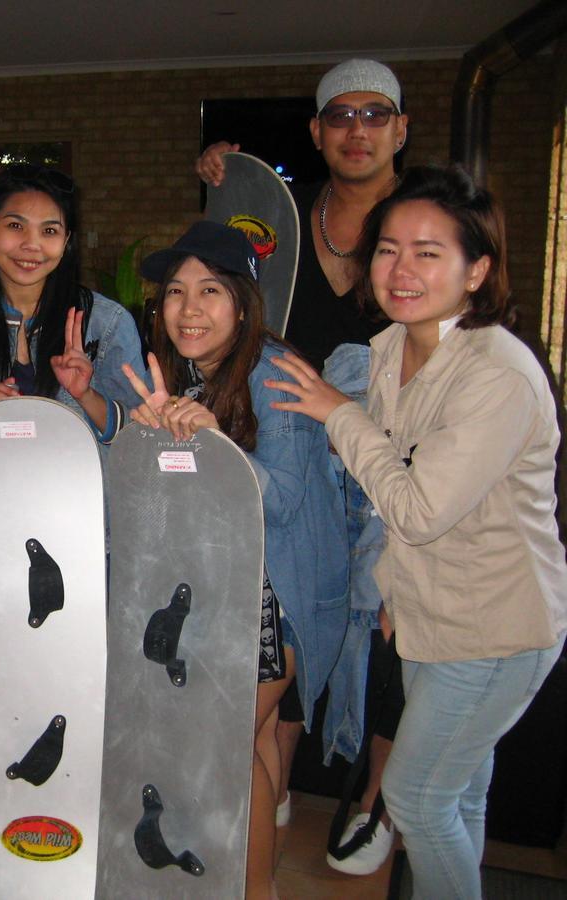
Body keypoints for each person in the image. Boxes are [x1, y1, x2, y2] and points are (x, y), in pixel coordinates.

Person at [269, 163, 567, 900]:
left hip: (496, 627)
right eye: (389, 248)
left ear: (477, 270)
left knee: (416, 800)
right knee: (458, 795)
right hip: (435, 616)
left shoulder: (497, 373)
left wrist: (339, 413)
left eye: (428, 252)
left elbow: (417, 508)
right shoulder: (393, 350)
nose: (401, 269)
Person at [197, 58, 409, 870]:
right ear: (319, 132)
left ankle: (375, 796)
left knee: (386, 621)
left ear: (400, 129)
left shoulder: (420, 223)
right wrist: (227, 185)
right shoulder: (283, 217)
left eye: (374, 113)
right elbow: (226, 280)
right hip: (295, 451)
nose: (357, 129)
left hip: (388, 449)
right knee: (296, 607)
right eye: (340, 115)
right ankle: (272, 777)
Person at [0, 162, 145, 899]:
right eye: (15, 226)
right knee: (6, 699)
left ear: (68, 240)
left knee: (81, 695)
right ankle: (6, 847)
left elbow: (133, 440)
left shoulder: (105, 322)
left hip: (85, 545)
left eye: (50, 231)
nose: (31, 245)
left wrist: (85, 399)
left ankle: (82, 847)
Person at [123, 221, 348, 900]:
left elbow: (277, 502)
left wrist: (215, 441)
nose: (189, 308)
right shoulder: (201, 371)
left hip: (279, 592)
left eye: (210, 291)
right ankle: (252, 878)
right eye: (175, 292)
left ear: (244, 304)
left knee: (223, 745)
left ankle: (254, 890)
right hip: (235, 583)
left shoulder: (274, 375)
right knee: (251, 748)